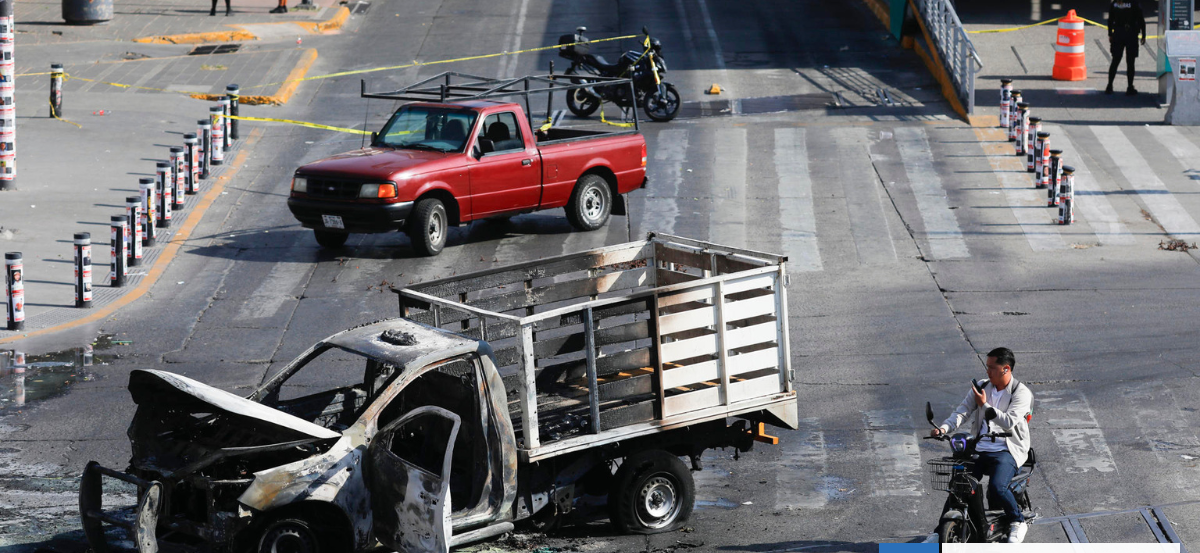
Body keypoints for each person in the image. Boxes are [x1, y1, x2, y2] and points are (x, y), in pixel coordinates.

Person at [930, 347, 1033, 543]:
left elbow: (1008, 422)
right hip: (979, 449)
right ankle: (938, 533)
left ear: (1006, 369)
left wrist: (984, 405)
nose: (988, 371)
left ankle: (1017, 521)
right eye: (987, 366)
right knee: (959, 486)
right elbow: (962, 412)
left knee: (997, 487)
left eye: (992, 367)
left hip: (1006, 450)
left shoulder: (1021, 393)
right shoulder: (982, 387)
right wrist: (944, 428)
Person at [1106, 0, 1146, 95]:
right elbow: (1141, 19)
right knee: (1130, 62)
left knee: (1115, 60)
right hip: (1131, 33)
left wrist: (1110, 34)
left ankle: (1109, 85)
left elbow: (1110, 20)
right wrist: (1144, 34)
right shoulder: (1134, 3)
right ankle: (1130, 87)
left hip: (1118, 33)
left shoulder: (1115, 3)